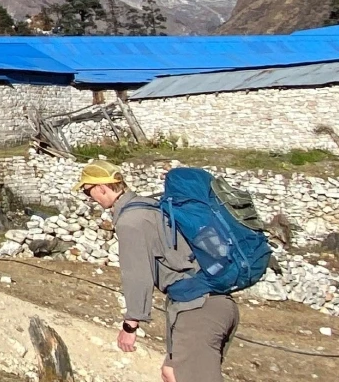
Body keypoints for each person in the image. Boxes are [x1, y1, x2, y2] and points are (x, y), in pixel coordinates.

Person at [74, 159, 238, 382]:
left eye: (87, 191)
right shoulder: (151, 206)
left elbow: (138, 275)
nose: (89, 198)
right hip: (211, 304)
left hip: (197, 309)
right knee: (171, 373)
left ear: (101, 187)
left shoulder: (131, 220)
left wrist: (130, 325)